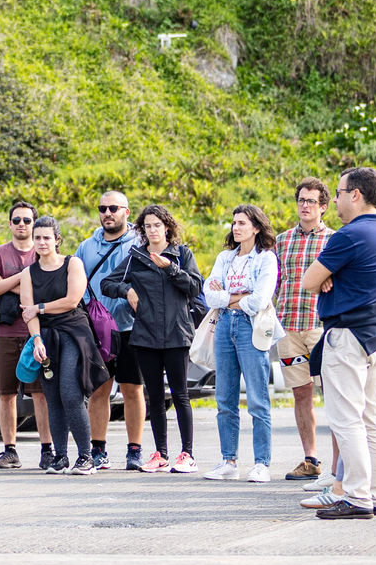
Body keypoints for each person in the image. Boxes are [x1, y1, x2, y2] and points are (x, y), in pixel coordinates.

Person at [300, 167, 376, 519]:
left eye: (339, 193)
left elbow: (310, 280)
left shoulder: (348, 235)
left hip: (348, 334)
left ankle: (356, 496)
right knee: (371, 417)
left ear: (355, 194)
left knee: (347, 420)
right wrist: (330, 275)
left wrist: (327, 275)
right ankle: (375, 492)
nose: (337, 200)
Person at [101, 204, 202, 474]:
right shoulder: (136, 257)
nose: (153, 230)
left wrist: (171, 269)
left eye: (157, 225)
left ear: (167, 227)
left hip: (177, 335)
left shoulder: (182, 254)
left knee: (180, 395)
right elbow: (106, 284)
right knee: (154, 397)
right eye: (147, 226)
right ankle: (161, 454)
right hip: (145, 337)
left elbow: (194, 287)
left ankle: (187, 454)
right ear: (142, 230)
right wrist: (127, 290)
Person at [202, 204, 279, 483]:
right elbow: (209, 296)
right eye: (234, 223)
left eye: (242, 223)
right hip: (224, 324)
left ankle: (261, 463)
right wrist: (238, 297)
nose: (236, 227)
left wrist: (228, 295)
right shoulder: (225, 257)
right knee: (225, 398)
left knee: (258, 399)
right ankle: (228, 460)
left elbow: (260, 300)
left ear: (256, 227)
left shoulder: (266, 259)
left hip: (251, 327)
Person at [21, 216, 102, 476]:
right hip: (46, 337)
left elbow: (72, 299)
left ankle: (86, 457)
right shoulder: (28, 273)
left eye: (47, 237)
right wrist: (36, 340)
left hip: (74, 333)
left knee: (70, 394)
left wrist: (40, 308)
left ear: (57, 239)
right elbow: (27, 312)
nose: (42, 242)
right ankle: (60, 457)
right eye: (37, 238)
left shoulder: (72, 263)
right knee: (52, 397)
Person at [75, 190, 146, 471]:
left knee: (132, 389)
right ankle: (98, 450)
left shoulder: (139, 244)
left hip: (130, 327)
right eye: (102, 208)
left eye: (113, 208)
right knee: (99, 391)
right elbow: (77, 285)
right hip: (97, 329)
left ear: (126, 212)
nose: (107, 213)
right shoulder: (86, 247)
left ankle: (135, 451)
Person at [0, 201, 53, 470]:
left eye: (26, 220)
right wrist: (23, 280)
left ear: (34, 224)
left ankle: (47, 449)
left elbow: (48, 290)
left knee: (41, 393)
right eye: (16, 220)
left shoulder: (44, 250)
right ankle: (9, 450)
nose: (21, 224)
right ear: (9, 224)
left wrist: (10, 282)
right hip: (4, 332)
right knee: (6, 393)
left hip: (39, 333)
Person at [273, 178, 334, 482]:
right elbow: (275, 281)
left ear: (324, 206)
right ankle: (310, 459)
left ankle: (341, 463)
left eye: (312, 201)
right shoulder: (281, 240)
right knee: (301, 394)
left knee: (333, 393)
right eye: (301, 200)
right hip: (288, 329)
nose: (305, 205)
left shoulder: (335, 239)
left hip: (321, 327)